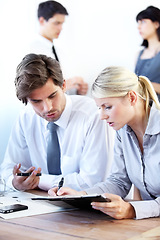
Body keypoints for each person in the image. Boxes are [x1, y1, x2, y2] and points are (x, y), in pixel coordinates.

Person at [49, 66, 160, 220]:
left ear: (132, 98)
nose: (102, 116)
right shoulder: (123, 131)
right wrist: (81, 195)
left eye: (107, 107)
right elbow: (119, 182)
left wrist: (132, 210)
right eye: (99, 108)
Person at [1, 53, 113, 192]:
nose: (48, 108)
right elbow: (8, 170)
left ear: (63, 85)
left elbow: (91, 181)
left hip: (85, 206)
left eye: (52, 96)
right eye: (36, 101)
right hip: (40, 201)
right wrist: (15, 182)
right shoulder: (26, 118)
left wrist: (39, 180)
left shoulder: (93, 115)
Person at [29, 0, 88, 95]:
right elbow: (32, 89)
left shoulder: (60, 52)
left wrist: (77, 90)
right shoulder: (30, 52)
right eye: (57, 23)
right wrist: (61, 86)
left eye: (62, 23)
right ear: (42, 21)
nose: (61, 28)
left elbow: (63, 90)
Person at [135, 6, 160, 101]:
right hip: (141, 110)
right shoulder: (138, 55)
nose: (139, 27)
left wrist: (147, 85)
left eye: (143, 22)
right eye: (138, 23)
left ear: (156, 24)